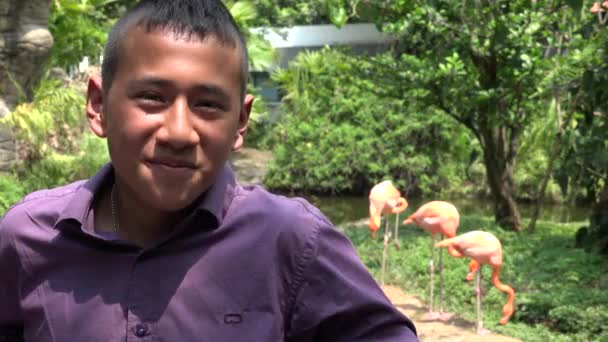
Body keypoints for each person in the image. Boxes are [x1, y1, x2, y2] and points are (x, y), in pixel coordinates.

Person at [0, 1, 418, 341]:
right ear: (98, 105)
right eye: (151, 97)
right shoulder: (29, 237)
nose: (180, 132)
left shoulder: (289, 239)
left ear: (240, 121)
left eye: (208, 105)